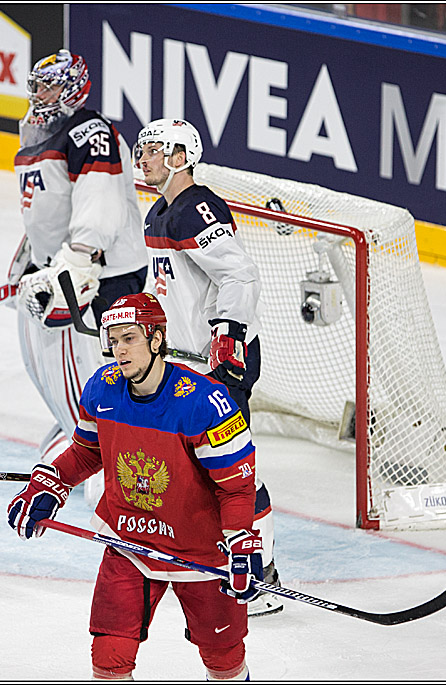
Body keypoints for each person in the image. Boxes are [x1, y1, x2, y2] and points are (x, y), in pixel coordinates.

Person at [8, 293, 261, 681]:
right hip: (130, 540)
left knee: (223, 659)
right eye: (113, 340)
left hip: (200, 550)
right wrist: (52, 482)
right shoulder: (102, 388)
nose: (119, 350)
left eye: (129, 338)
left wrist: (241, 538)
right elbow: (86, 452)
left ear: (156, 339)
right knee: (109, 656)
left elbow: (236, 487)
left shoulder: (206, 403)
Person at [131, 117, 283, 617]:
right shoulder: (158, 214)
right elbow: (167, 290)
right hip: (188, 361)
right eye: (142, 148)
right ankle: (219, 562)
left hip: (223, 362)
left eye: (154, 149)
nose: (144, 157)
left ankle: (262, 576)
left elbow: (240, 274)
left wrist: (229, 335)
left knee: (232, 470)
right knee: (194, 470)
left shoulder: (197, 208)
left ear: (181, 158)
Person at [9, 49, 147, 505]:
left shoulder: (88, 131)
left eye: (50, 86)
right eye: (37, 85)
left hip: (104, 274)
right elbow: (46, 212)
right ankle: (80, 441)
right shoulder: (39, 133)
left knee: (98, 372)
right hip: (61, 267)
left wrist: (80, 258)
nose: (40, 94)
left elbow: (98, 201)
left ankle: (113, 472)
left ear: (72, 89)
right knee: (46, 367)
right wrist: (32, 258)